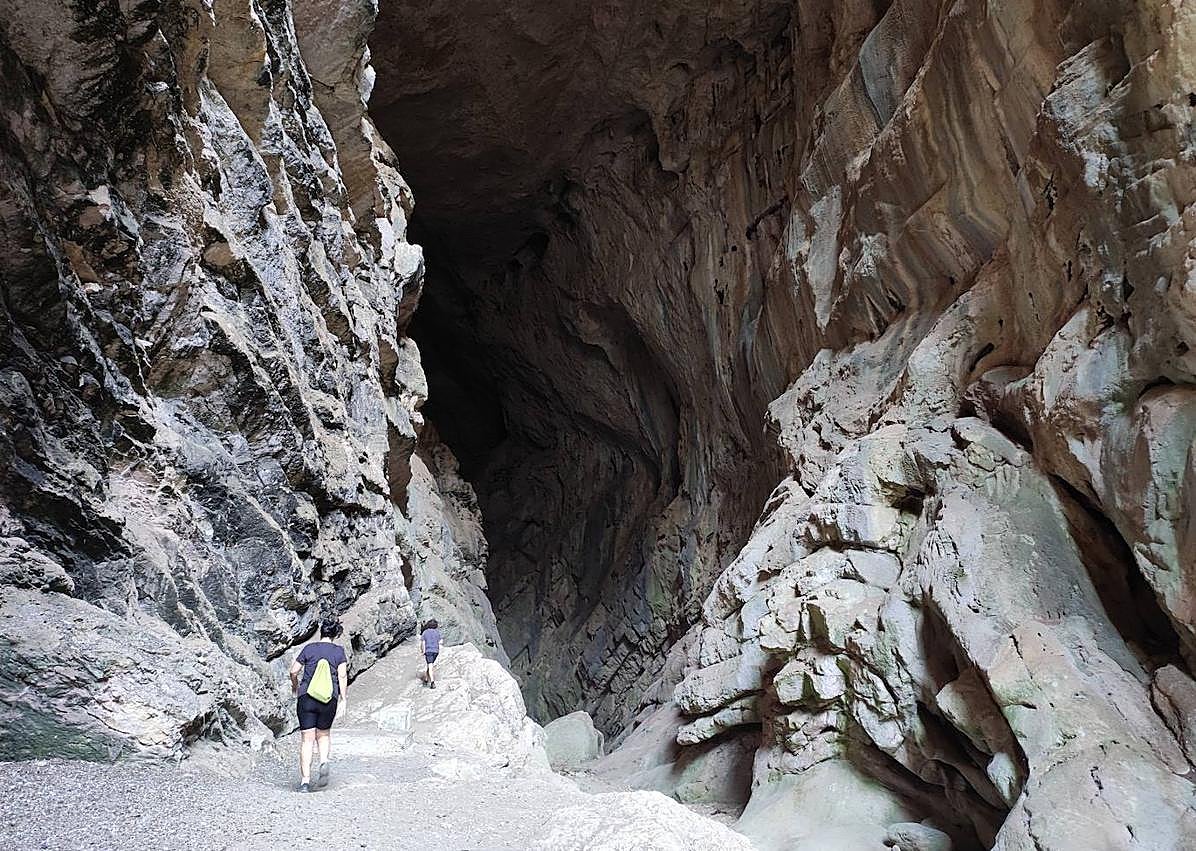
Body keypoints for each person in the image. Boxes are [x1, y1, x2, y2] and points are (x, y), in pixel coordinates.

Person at [289, 618, 349, 792]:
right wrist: (343, 698)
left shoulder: (309, 648)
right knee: (323, 734)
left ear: (321, 632)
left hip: (306, 697)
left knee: (307, 740)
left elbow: (294, 671)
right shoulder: (339, 652)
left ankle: (305, 782)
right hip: (328, 699)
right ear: (335, 634)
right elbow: (342, 676)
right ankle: (323, 761)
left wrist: (295, 685)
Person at [420, 619, 441, 688]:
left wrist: (423, 651)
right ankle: (426, 679)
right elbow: (440, 641)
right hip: (436, 651)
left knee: (430, 666)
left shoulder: (425, 632)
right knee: (430, 665)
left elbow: (423, 642)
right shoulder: (437, 632)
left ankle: (432, 682)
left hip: (428, 651)